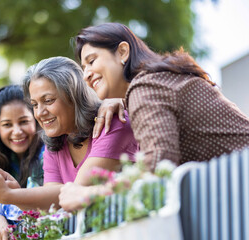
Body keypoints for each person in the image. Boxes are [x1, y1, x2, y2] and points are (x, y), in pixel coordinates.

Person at [59, 22, 249, 211]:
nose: (86, 75)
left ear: (123, 52)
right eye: (83, 68)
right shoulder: (155, 81)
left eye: (91, 61)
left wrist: (88, 195)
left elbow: (158, 166)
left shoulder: (145, 87)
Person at [0, 56, 138, 211]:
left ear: (74, 96)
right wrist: (13, 193)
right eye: (34, 104)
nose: (39, 113)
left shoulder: (113, 122)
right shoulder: (55, 143)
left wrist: (8, 195)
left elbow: (72, 193)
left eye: (48, 101)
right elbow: (53, 204)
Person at [0, 85, 44, 240]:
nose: (17, 131)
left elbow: (40, 208)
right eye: (7, 124)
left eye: (24, 121)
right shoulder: (1, 162)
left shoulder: (48, 155)